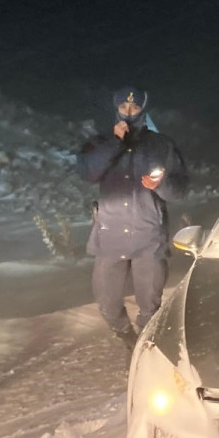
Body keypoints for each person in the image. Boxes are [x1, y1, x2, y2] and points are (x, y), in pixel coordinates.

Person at [76, 87, 188, 345]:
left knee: (150, 302)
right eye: (123, 107)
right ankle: (126, 336)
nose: (128, 112)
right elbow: (88, 172)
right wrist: (116, 143)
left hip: (147, 234)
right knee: (106, 300)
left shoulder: (161, 145)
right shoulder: (100, 142)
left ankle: (144, 347)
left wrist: (159, 185)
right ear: (115, 109)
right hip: (110, 233)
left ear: (143, 110)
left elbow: (179, 190)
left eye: (134, 107)